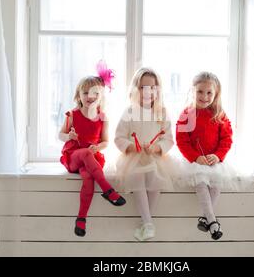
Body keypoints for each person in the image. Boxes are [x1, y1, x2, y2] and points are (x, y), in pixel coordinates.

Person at [59, 61, 126, 237]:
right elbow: (60, 135)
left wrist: (98, 147)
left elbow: (106, 142)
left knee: (88, 178)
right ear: (78, 95)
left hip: (91, 159)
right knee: (86, 153)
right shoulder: (72, 115)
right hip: (73, 156)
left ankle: (81, 220)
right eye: (85, 92)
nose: (90, 96)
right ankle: (108, 190)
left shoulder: (103, 118)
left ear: (101, 96)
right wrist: (69, 137)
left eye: (95, 93)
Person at [176, 72, 239, 241]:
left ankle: (206, 219)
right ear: (193, 92)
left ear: (216, 93)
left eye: (209, 93)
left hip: (214, 159)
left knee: (217, 181)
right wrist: (195, 157)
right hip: (195, 160)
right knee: (201, 182)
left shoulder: (219, 114)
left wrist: (218, 156)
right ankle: (212, 221)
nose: (204, 96)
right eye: (200, 92)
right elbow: (182, 141)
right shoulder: (186, 114)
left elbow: (227, 139)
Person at [114, 68, 175, 241]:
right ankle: (148, 223)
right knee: (137, 177)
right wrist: (131, 147)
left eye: (152, 87)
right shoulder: (129, 112)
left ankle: (147, 221)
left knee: (156, 179)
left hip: (155, 157)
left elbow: (169, 139)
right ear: (135, 89)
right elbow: (118, 137)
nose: (148, 92)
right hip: (134, 157)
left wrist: (157, 148)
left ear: (158, 90)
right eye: (143, 87)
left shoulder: (161, 112)